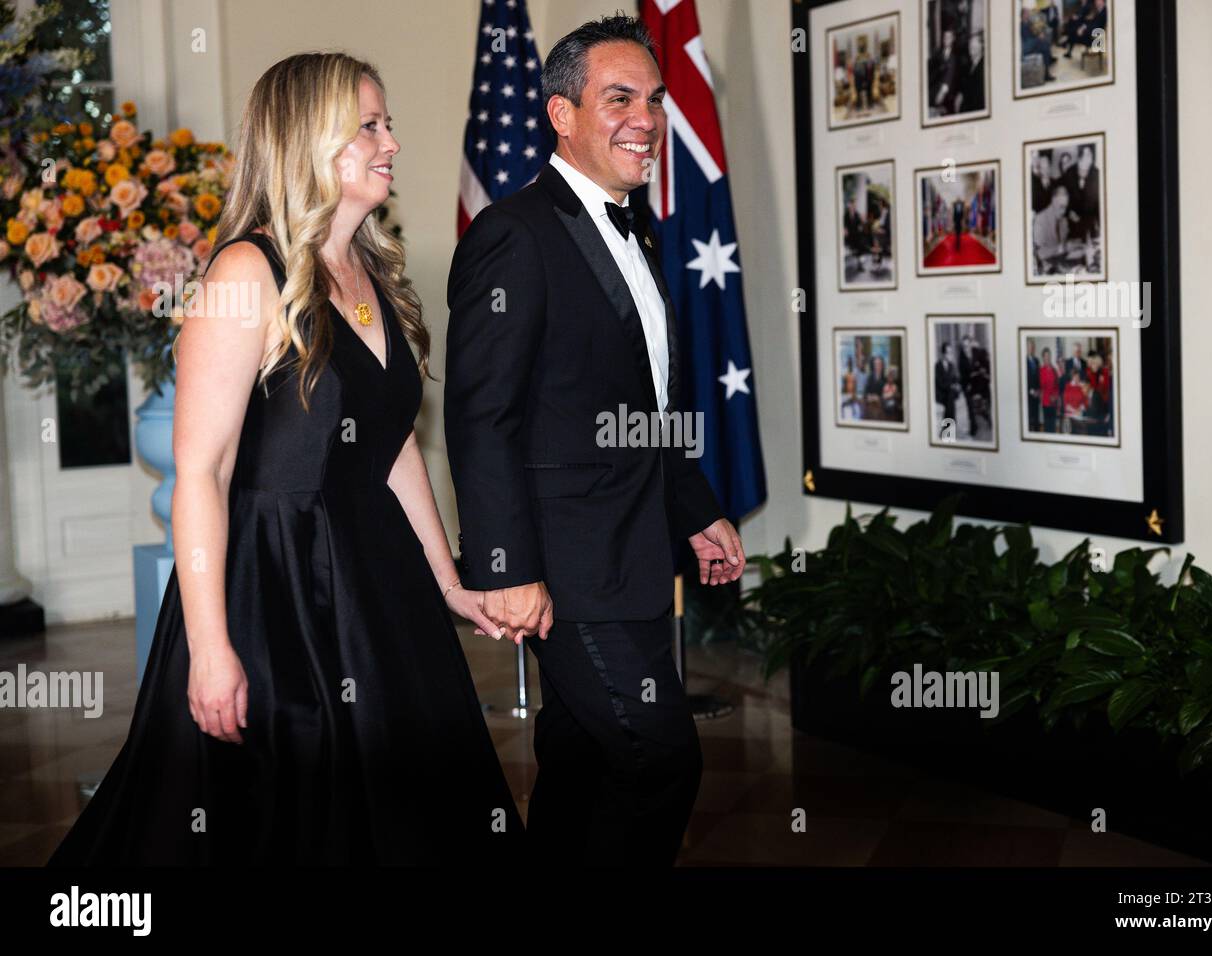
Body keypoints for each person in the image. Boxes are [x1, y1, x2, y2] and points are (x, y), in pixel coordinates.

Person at [47, 53, 524, 865]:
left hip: (382, 584)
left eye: (388, 123)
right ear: (311, 139)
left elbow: (392, 442)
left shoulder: (370, 267)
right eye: (370, 125)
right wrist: (211, 649)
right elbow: (202, 471)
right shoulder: (245, 272)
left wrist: (448, 581)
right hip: (275, 592)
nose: (392, 143)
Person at [444, 14, 744, 867]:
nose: (644, 120)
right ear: (561, 114)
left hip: (638, 553)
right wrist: (505, 568)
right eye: (619, 98)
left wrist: (696, 508)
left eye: (652, 99)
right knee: (659, 761)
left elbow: (644, 401)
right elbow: (481, 415)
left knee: (580, 761)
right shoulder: (513, 235)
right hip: (568, 571)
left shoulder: (636, 227)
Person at [1039, 347, 1060, 433]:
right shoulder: (1041, 370)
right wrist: (1048, 371)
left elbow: (1057, 385)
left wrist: (1055, 396)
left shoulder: (1054, 370)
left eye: (1049, 356)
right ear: (1043, 358)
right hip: (1046, 401)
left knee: (1053, 425)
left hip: (1054, 401)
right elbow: (1042, 385)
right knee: (1047, 425)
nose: (1048, 358)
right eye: (1046, 356)